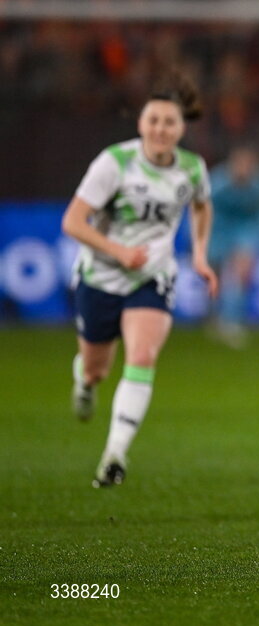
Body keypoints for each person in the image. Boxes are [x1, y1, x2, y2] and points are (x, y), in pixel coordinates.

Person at [62, 73, 218, 487]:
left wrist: (200, 256)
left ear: (181, 128)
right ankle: (85, 379)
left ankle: (115, 454)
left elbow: (202, 207)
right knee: (97, 368)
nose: (161, 129)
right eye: (154, 121)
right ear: (141, 124)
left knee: (142, 357)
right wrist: (119, 252)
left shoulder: (191, 168)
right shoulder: (114, 163)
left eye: (169, 122)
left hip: (153, 276)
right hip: (101, 274)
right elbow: (73, 221)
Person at [208, 144, 259, 348]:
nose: (245, 169)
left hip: (246, 229)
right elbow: (204, 209)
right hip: (219, 229)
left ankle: (231, 321)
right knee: (215, 277)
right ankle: (214, 317)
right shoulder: (218, 182)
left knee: (241, 272)